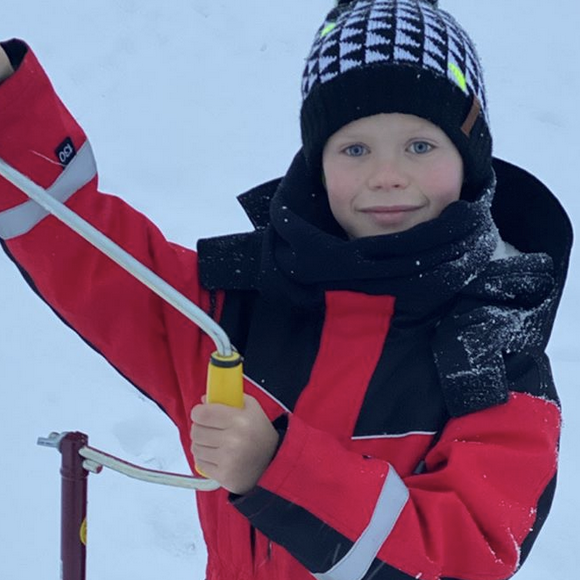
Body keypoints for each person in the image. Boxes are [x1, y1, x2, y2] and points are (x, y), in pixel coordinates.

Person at [0, 0, 573, 579]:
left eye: (420, 146)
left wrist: (278, 468)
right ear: (317, 162)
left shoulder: (497, 351)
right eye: (355, 148)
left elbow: (464, 554)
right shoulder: (233, 311)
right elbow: (88, 253)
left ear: (469, 156)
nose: (387, 175)